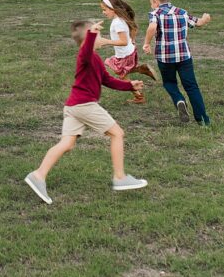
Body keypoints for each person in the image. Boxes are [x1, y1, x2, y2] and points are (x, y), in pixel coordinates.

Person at [24, 19, 148, 204]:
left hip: (73, 107)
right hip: (84, 105)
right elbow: (85, 49)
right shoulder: (85, 55)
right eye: (99, 35)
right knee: (117, 134)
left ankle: (38, 175)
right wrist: (91, 34)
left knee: (67, 144)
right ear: (89, 38)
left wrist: (129, 85)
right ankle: (120, 178)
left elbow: (107, 80)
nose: (103, 38)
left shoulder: (95, 58)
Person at [142, 0, 211, 125]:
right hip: (184, 56)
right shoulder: (182, 12)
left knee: (169, 83)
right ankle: (203, 120)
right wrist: (206, 17)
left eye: (151, 3)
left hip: (165, 57)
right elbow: (199, 23)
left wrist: (146, 43)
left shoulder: (155, 13)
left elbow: (152, 27)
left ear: (156, 2)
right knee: (191, 86)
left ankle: (179, 100)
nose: (151, 6)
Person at [98, 0, 156, 102]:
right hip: (129, 51)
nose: (103, 12)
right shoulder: (121, 18)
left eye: (105, 9)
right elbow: (134, 28)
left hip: (124, 53)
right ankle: (142, 69)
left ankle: (139, 97)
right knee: (120, 69)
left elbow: (123, 42)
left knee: (122, 75)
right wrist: (132, 41)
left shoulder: (117, 23)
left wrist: (106, 41)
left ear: (113, 9)